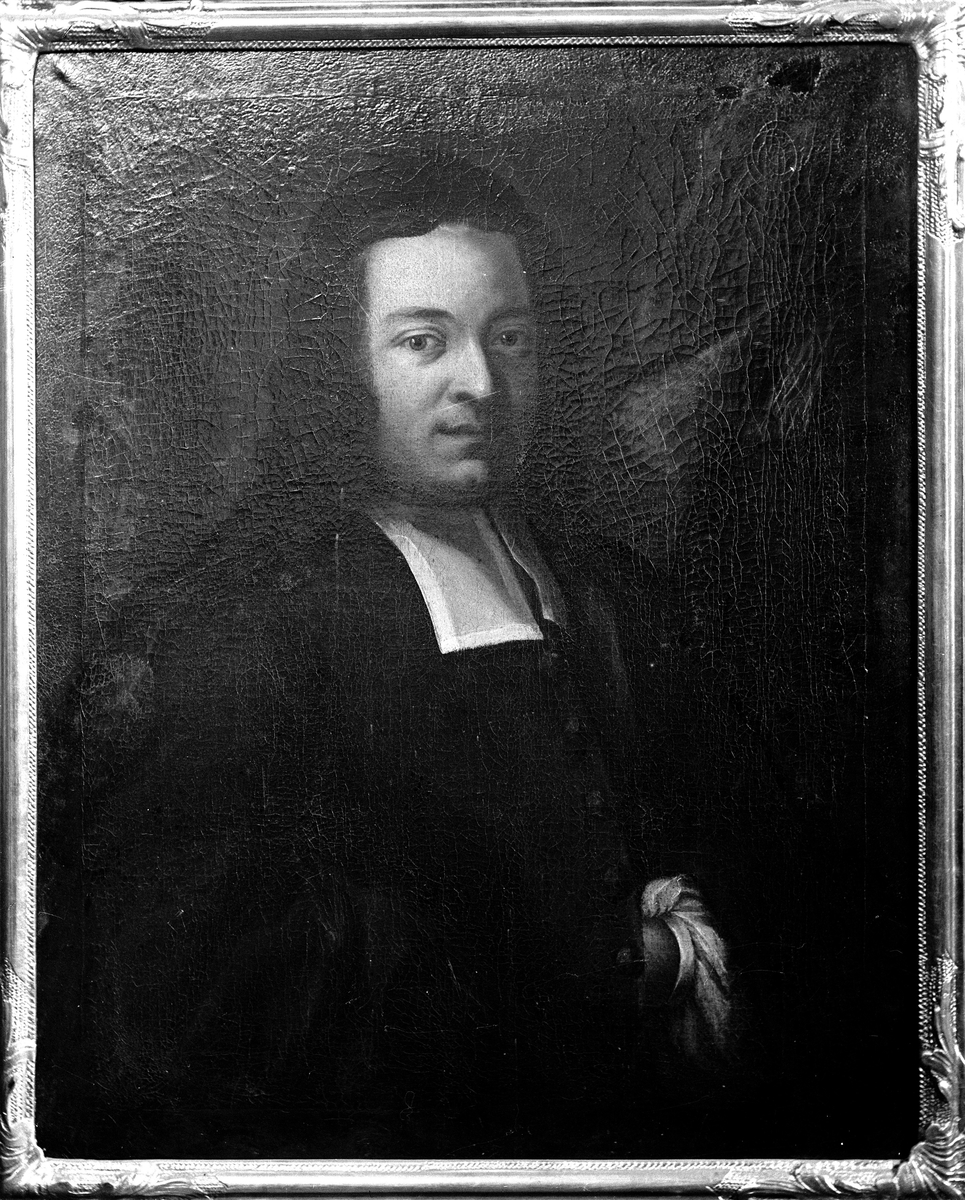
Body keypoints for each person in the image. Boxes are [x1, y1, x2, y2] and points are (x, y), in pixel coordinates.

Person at [39, 157, 732, 1159]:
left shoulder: (605, 591)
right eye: (422, 342)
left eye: (510, 339)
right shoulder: (240, 627)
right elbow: (214, 996)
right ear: (340, 367)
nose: (479, 385)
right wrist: (627, 961)